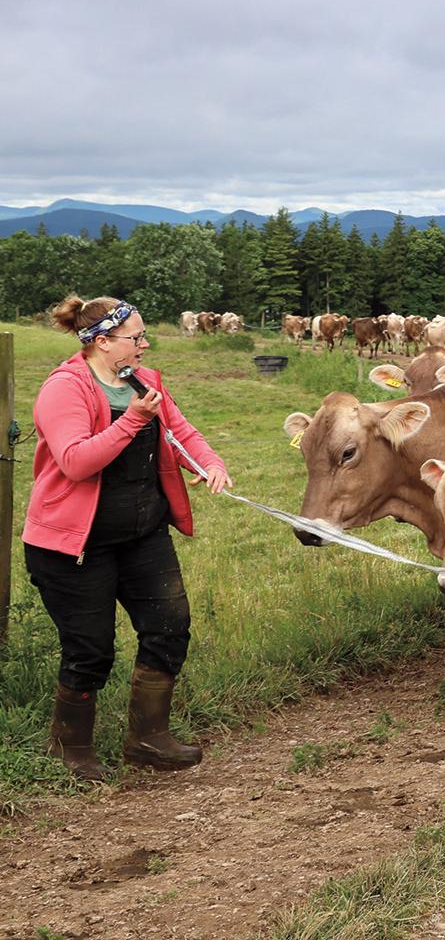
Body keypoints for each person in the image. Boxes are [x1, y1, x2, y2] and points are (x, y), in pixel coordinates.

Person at [24, 295, 231, 782]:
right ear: (101, 341)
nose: (145, 344)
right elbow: (75, 461)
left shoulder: (146, 381)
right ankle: (70, 748)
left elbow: (182, 432)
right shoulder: (64, 388)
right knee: (90, 649)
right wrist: (133, 419)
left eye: (143, 336)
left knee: (169, 625)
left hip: (142, 535)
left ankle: (148, 739)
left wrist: (210, 462)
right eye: (136, 337)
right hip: (74, 546)